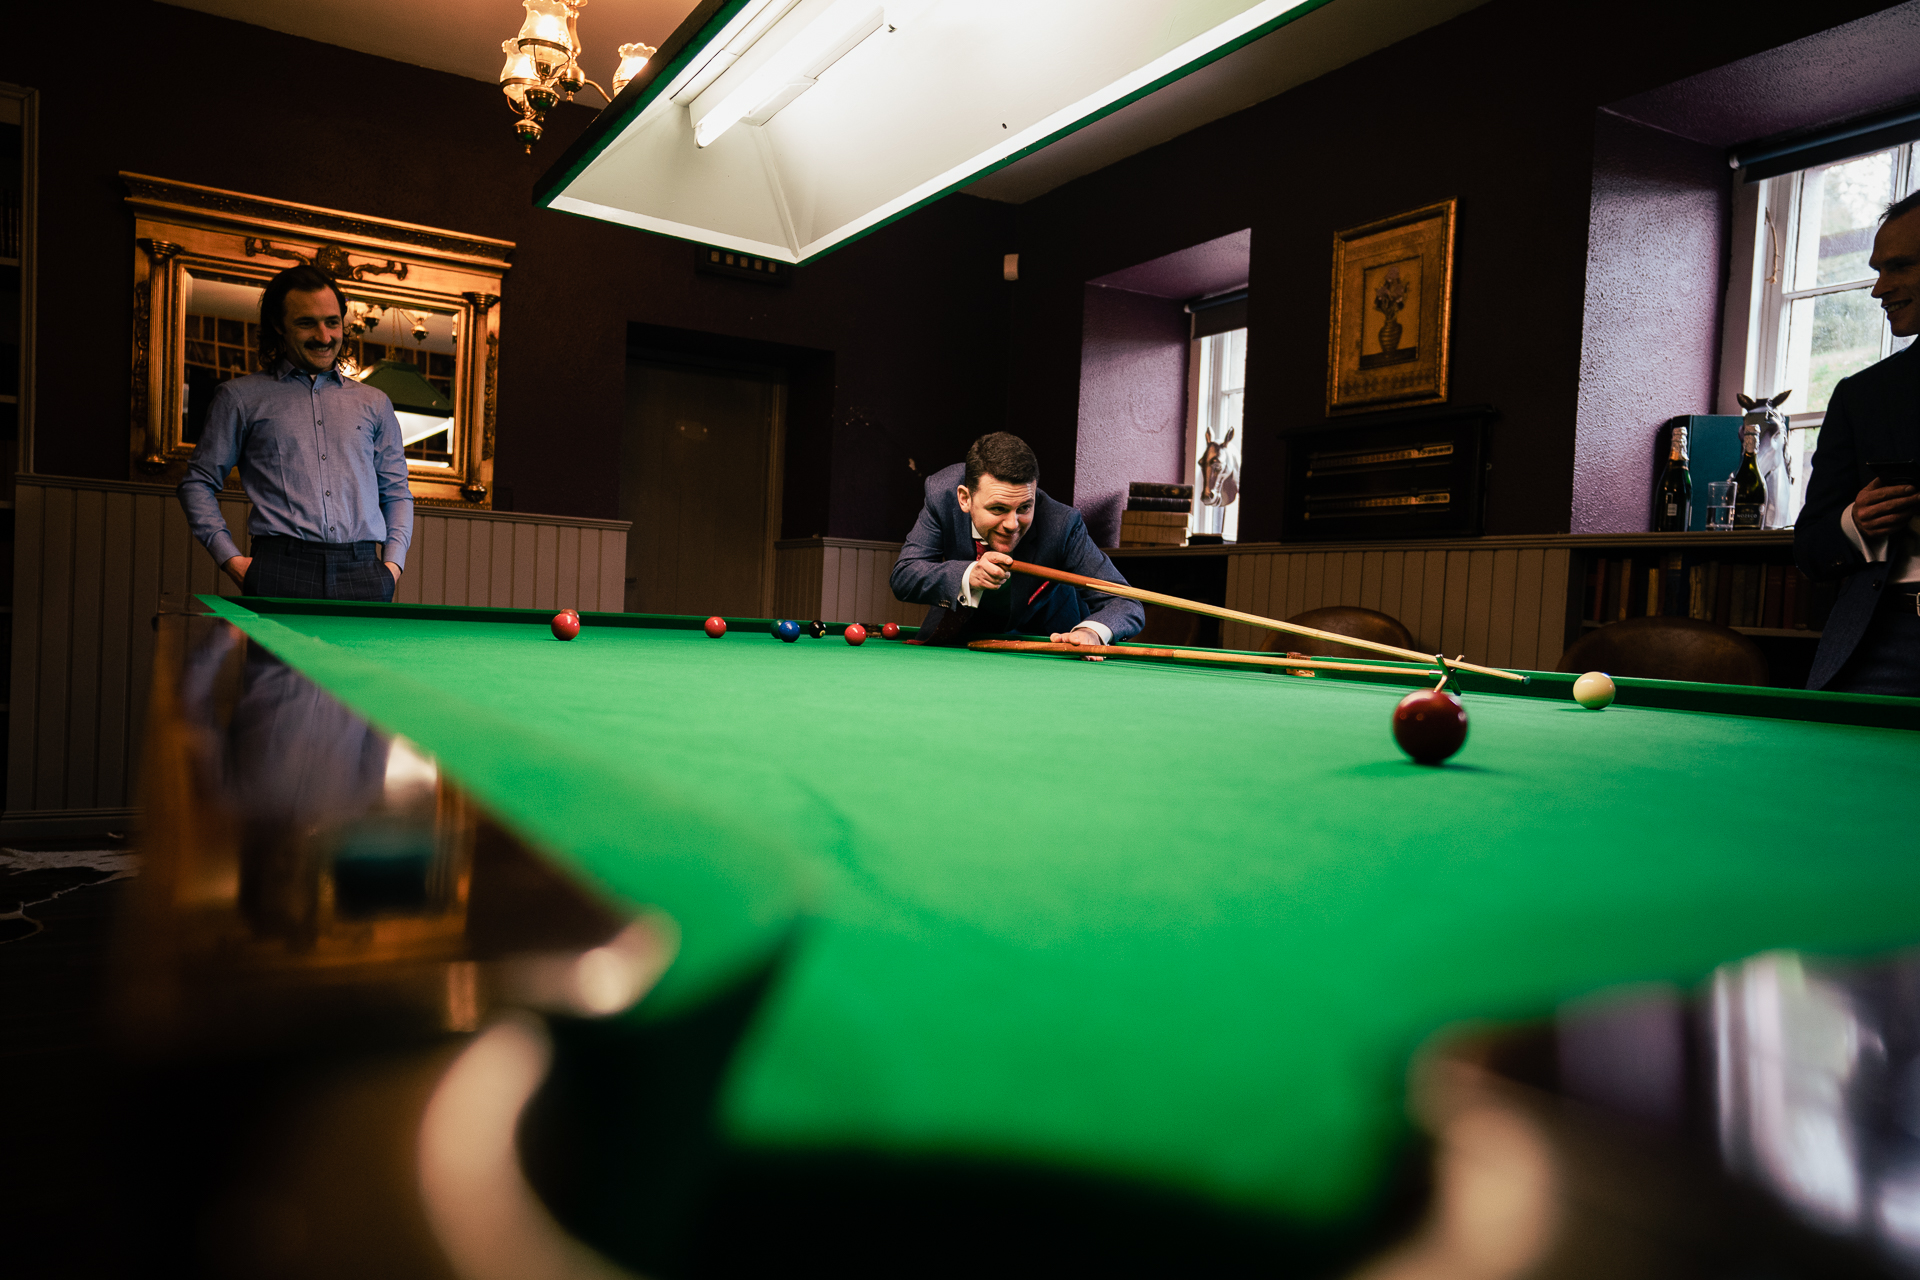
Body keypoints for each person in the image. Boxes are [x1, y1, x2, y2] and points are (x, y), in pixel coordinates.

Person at [178, 265, 413, 600]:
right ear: (279, 326)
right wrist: (230, 559)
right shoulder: (239, 398)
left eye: (332, 322)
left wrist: (392, 567)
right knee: (271, 658)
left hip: (364, 572)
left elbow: (397, 492)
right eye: (306, 323)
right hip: (278, 570)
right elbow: (196, 483)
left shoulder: (375, 403)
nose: (324, 336)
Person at [1796, 190, 1920, 695]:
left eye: (1899, 266)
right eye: (1876, 269)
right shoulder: (1861, 395)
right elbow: (1810, 547)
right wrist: (1854, 523)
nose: (1878, 290)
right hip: (1886, 641)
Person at [891, 432, 1145, 646]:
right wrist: (968, 576)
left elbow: (1125, 601)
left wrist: (1091, 633)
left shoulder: (1061, 524)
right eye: (998, 509)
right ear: (965, 498)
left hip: (1044, 640)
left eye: (1024, 508)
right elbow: (905, 575)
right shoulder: (942, 495)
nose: (1012, 525)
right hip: (959, 636)